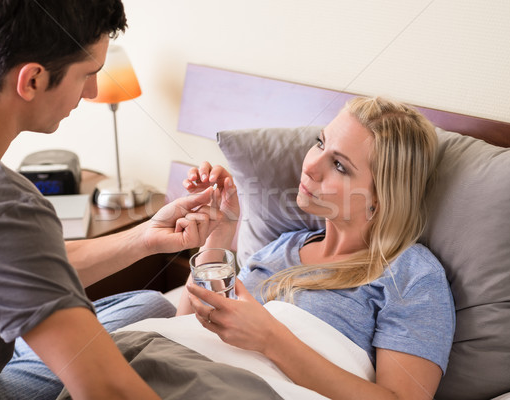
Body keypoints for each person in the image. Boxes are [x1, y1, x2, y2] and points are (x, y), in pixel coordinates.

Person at [0, 1, 222, 399]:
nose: (93, 92)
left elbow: (6, 260)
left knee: (150, 305)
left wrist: (144, 239)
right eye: (89, 74)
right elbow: (106, 389)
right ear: (32, 79)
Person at [178, 96, 456, 400]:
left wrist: (270, 338)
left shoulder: (412, 275)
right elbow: (182, 328)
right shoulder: (280, 248)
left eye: (339, 165)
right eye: (320, 143)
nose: (310, 166)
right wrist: (218, 237)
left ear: (382, 197)